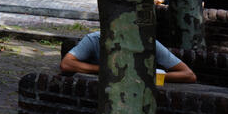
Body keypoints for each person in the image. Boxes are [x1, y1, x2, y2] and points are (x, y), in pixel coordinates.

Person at [60, 31, 197, 83]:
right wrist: (108, 69)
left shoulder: (148, 43)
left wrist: (147, 76)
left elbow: (188, 75)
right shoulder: (95, 39)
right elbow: (67, 64)